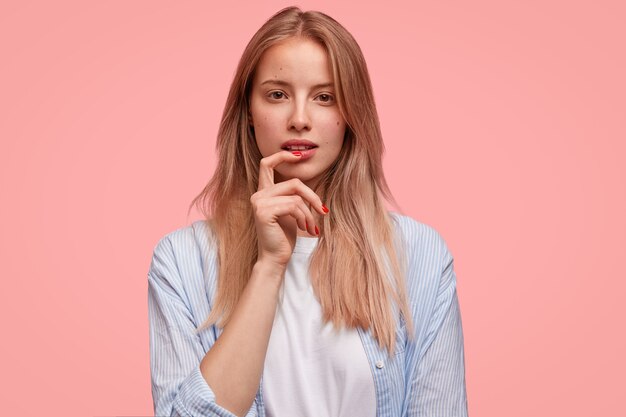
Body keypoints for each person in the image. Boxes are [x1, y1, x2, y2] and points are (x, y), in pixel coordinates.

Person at [147, 6, 468, 417]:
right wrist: (268, 266)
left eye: (325, 97)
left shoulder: (418, 256)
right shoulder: (181, 262)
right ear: (248, 109)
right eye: (277, 94)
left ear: (351, 114)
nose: (299, 119)